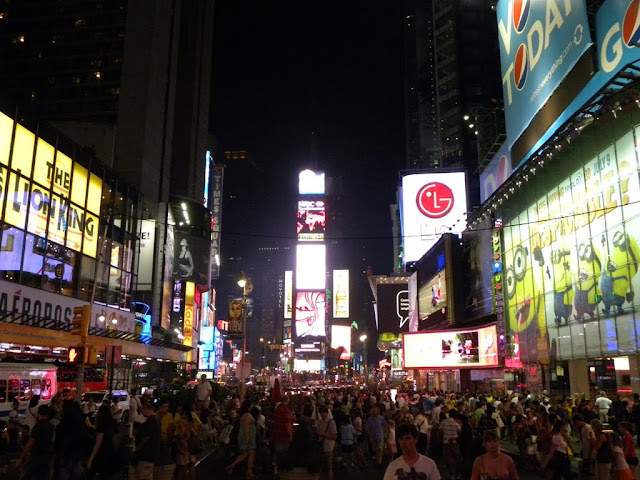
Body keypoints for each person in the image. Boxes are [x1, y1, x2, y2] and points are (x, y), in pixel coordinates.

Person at [16, 405, 54, 480]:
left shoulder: (38, 426)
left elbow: (30, 442)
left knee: (27, 475)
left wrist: (21, 457)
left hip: (36, 455)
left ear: (38, 413)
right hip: (47, 455)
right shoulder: (51, 426)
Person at [226, 399, 257, 479]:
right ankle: (249, 472)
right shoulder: (247, 415)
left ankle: (232, 465)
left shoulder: (244, 414)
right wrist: (247, 438)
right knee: (251, 453)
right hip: (249, 436)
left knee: (245, 453)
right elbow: (246, 427)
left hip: (247, 436)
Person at [87, 404, 119, 479]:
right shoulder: (112, 422)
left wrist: (90, 459)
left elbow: (98, 442)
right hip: (110, 450)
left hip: (102, 452)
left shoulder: (102, 424)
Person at [175, 401, 202, 480]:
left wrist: (177, 437)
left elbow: (181, 434)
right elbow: (200, 425)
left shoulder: (182, 420)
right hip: (192, 444)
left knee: (184, 466)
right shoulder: (192, 416)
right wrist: (197, 435)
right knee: (192, 465)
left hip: (184, 445)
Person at [135, 402, 161, 480]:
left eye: (142, 410)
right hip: (153, 454)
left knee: (145, 476)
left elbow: (147, 436)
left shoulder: (151, 420)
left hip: (147, 454)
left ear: (145, 409)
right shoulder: (157, 418)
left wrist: (139, 447)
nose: (142, 413)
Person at [271, 395, 294, 476]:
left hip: (277, 434)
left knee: (278, 453)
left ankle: (276, 470)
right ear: (287, 400)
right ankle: (283, 471)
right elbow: (287, 424)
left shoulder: (277, 409)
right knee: (284, 454)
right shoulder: (286, 410)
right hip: (284, 436)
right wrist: (290, 435)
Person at [316, 405, 337, 480]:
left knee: (329, 467)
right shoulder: (320, 422)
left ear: (326, 413)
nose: (321, 415)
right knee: (321, 467)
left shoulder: (331, 422)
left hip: (328, 447)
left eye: (322, 413)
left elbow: (334, 436)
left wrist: (323, 434)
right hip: (321, 446)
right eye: (320, 413)